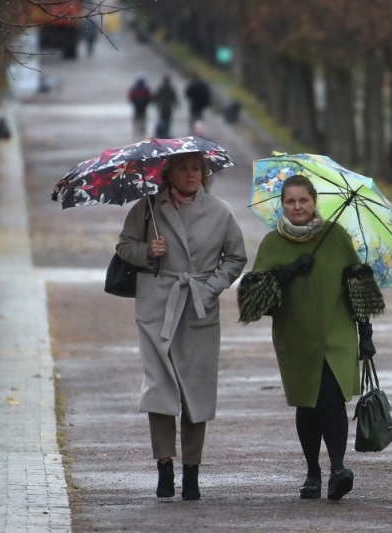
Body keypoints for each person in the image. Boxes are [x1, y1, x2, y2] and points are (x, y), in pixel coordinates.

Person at [236, 174, 385, 501]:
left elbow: (358, 289)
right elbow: (253, 304)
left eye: (303, 200)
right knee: (308, 404)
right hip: (295, 339)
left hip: (337, 334)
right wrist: (287, 272)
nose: (297, 206)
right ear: (282, 205)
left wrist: (366, 335)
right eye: (290, 201)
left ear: (314, 201)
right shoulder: (272, 244)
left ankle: (336, 468)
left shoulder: (336, 237)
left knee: (332, 399)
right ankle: (312, 472)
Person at [115, 152, 247, 501]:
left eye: (197, 169)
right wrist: (147, 250)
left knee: (195, 390)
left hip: (198, 307)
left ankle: (192, 471)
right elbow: (124, 247)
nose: (191, 175)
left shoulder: (220, 211)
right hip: (156, 305)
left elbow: (236, 258)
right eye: (184, 169)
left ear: (204, 174)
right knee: (159, 387)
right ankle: (164, 467)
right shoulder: (146, 209)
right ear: (168, 174)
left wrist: (210, 286)